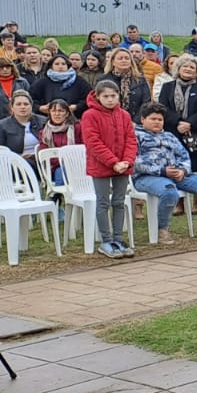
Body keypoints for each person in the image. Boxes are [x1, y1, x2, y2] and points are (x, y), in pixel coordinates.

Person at [132, 102, 197, 245]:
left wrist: (182, 170)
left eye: (160, 119)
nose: (157, 122)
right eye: (153, 119)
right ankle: (162, 228)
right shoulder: (134, 136)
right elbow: (134, 161)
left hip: (176, 174)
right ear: (143, 119)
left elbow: (184, 156)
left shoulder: (170, 136)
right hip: (148, 177)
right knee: (169, 190)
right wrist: (162, 171)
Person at [82, 80, 137, 259]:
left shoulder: (124, 115)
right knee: (103, 202)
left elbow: (131, 139)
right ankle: (106, 240)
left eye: (113, 95)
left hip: (123, 166)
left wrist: (127, 161)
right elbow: (93, 142)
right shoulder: (90, 115)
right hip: (101, 165)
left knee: (119, 201)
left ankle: (118, 239)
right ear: (98, 97)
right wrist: (113, 162)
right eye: (106, 96)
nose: (110, 99)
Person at [158, 54, 197, 176]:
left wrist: (189, 123)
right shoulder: (167, 87)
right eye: (185, 66)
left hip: (195, 134)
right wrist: (179, 121)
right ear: (178, 69)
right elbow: (163, 108)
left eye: (192, 67)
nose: (188, 69)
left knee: (196, 170)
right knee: (174, 167)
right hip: (172, 131)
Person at [30, 53, 89, 118]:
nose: (60, 66)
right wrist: (40, 108)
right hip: (47, 118)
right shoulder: (42, 82)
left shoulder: (78, 81)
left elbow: (88, 97)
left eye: (63, 64)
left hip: (73, 118)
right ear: (51, 66)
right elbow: (30, 98)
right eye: (57, 64)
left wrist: (77, 107)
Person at [0, 92, 44, 160]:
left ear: (31, 106)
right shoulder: (1, 125)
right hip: (15, 161)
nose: (23, 107)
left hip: (41, 158)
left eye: (26, 104)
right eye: (18, 104)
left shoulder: (43, 121)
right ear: (12, 107)